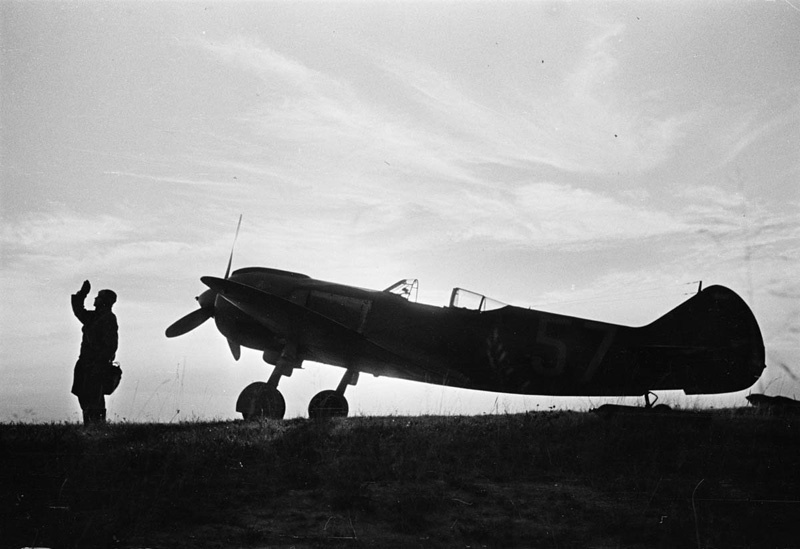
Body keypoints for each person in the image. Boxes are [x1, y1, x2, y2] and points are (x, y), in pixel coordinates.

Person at [71, 280, 118, 425]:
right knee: (83, 395)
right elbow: (78, 310)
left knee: (94, 397)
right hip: (85, 362)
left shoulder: (108, 318)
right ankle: (91, 425)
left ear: (104, 301)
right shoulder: (93, 317)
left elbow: (111, 345)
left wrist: (100, 363)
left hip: (96, 364)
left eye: (98, 297)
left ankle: (97, 426)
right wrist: (82, 294)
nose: (95, 299)